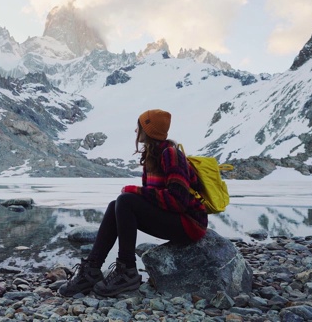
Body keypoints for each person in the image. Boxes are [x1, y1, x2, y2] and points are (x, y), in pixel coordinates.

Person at [59, 109, 208, 297]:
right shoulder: (152, 156)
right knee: (116, 205)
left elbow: (178, 201)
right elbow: (152, 200)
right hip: (175, 218)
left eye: (140, 126)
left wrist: (135, 191)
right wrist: (137, 196)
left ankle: (127, 270)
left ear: (148, 130)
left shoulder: (171, 154)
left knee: (126, 200)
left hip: (190, 223)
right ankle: (92, 270)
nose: (136, 130)